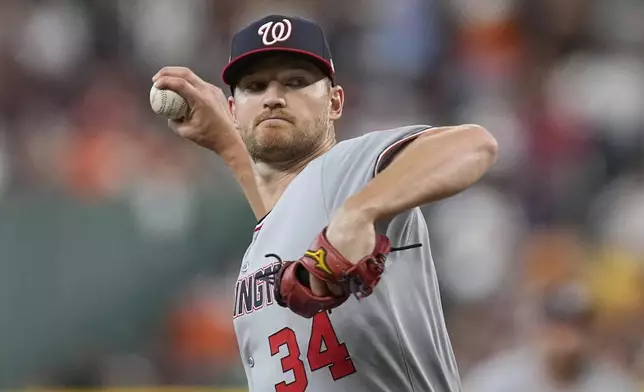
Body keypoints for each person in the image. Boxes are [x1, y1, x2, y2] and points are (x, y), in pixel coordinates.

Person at [152, 14, 498, 392]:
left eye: (296, 82)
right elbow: (284, 217)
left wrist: (360, 212)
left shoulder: (350, 167)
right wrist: (227, 144)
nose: (273, 97)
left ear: (334, 102)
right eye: (255, 86)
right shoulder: (267, 234)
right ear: (234, 110)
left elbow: (473, 144)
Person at [462, 282, 639, 392]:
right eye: (559, 326)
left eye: (577, 328)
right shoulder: (499, 380)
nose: (568, 340)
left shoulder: (612, 386)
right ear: (541, 328)